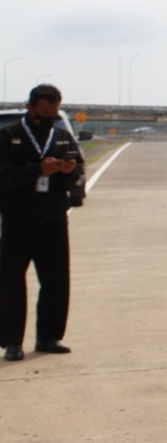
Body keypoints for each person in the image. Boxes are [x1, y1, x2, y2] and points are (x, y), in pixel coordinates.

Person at [0, 84, 82, 361]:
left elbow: (77, 171)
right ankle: (12, 342)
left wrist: (68, 171)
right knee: (11, 281)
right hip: (18, 219)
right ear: (30, 107)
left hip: (54, 218)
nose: (49, 118)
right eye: (44, 113)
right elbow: (4, 175)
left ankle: (48, 337)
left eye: (54, 113)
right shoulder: (8, 135)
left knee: (56, 281)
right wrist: (38, 169)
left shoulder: (61, 136)